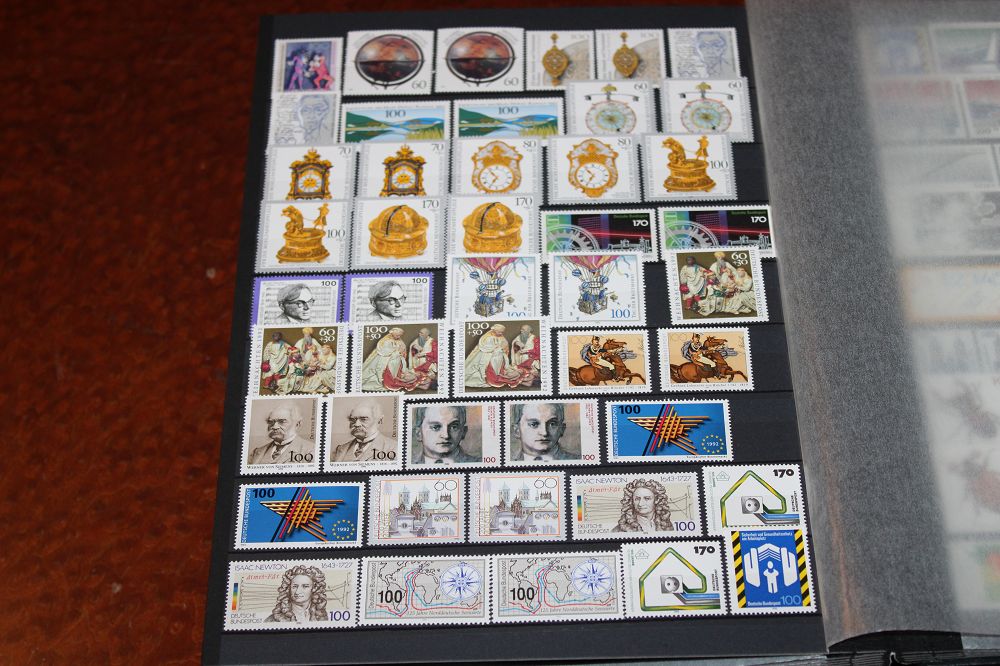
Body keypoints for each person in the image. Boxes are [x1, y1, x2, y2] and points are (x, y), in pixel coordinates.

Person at [360, 327, 428, 392]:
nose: (398, 337)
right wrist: (397, 352)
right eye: (397, 335)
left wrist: (401, 351)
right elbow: (385, 352)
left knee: (403, 369)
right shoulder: (386, 341)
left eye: (399, 336)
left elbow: (403, 349)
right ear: (392, 334)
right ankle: (389, 378)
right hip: (387, 359)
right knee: (388, 365)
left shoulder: (399, 341)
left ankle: (398, 375)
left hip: (398, 360)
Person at [464, 324, 530, 389]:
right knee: (486, 365)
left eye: (502, 332)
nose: (501, 333)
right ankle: (490, 375)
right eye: (499, 332)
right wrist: (495, 348)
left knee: (502, 365)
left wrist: (502, 348)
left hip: (499, 357)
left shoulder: (501, 337)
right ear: (494, 330)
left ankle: (499, 374)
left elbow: (505, 346)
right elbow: (485, 348)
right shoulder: (488, 337)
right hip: (489, 355)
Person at [329, 400, 397, 462]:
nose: (357, 424)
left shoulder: (393, 447)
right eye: (353, 419)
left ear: (379, 420)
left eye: (363, 419)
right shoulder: (340, 450)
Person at [248, 403, 314, 465]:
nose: (274, 427)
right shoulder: (256, 453)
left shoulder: (311, 450)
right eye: (271, 422)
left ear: (297, 424)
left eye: (282, 421)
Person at [410, 404, 477, 464]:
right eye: (435, 427)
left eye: (454, 427)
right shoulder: (411, 464)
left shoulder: (477, 463)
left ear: (464, 432)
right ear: (419, 433)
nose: (446, 435)